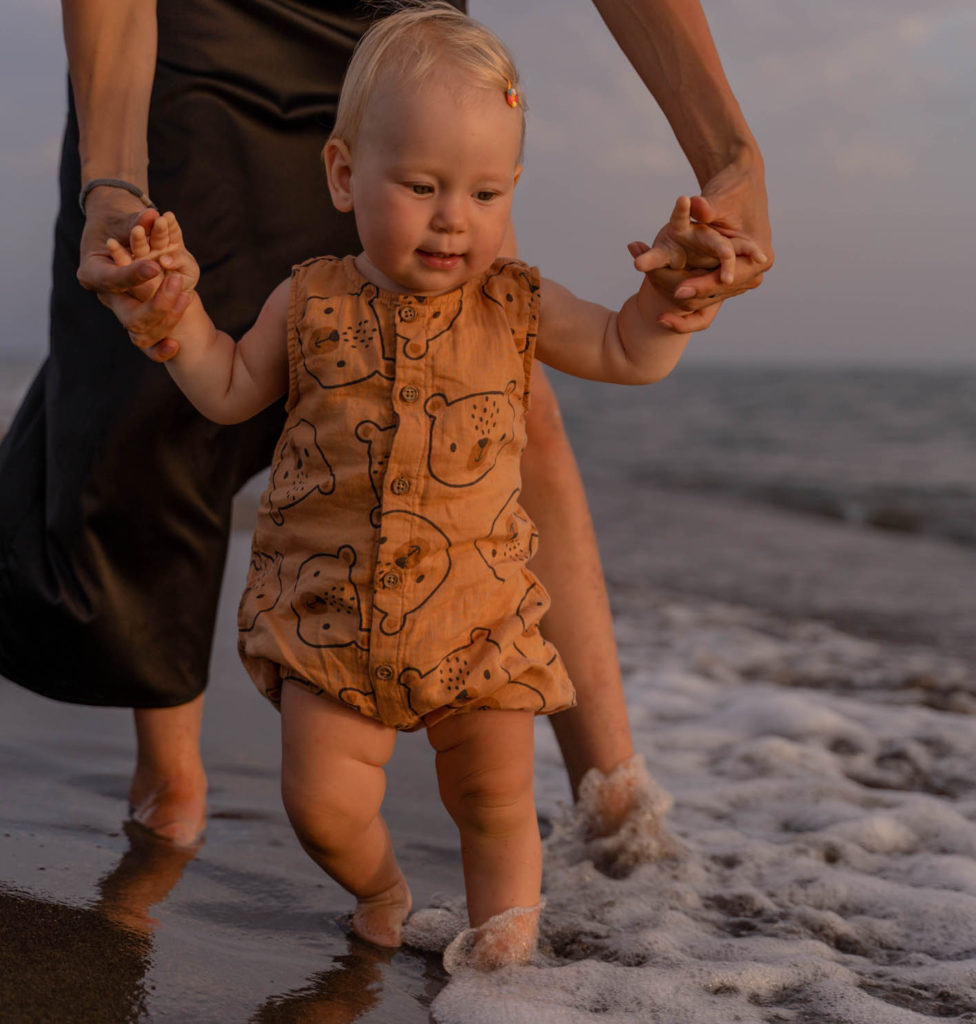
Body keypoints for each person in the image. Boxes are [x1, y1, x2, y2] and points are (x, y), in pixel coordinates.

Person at [0, 0, 771, 847]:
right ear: (340, 173)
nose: (456, 213)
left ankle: (611, 796)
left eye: (485, 194)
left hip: (403, 30)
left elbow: (627, 346)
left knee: (495, 382)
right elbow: (220, 380)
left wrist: (728, 164)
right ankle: (172, 772)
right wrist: (114, 184)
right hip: (204, 24)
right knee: (152, 399)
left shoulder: (499, 258)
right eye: (443, 194)